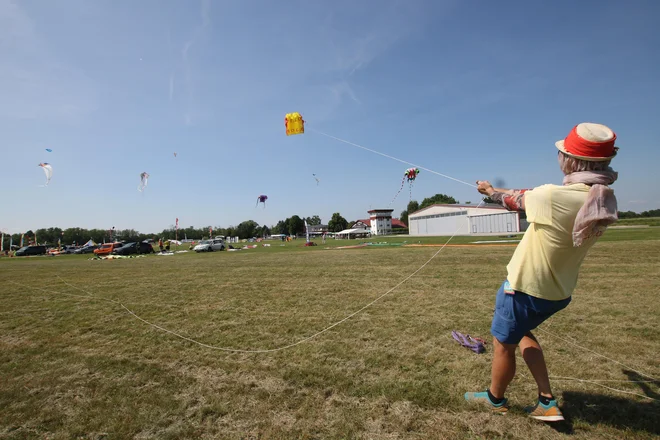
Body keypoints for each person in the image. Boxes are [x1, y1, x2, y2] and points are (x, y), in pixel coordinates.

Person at [464, 122, 619, 421]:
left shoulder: (552, 197)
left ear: (572, 161)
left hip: (524, 289)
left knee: (502, 345)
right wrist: (497, 191)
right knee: (523, 334)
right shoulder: (601, 198)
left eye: (562, 154)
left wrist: (490, 191)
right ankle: (546, 400)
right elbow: (524, 195)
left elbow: (516, 199)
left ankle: (495, 399)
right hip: (558, 292)